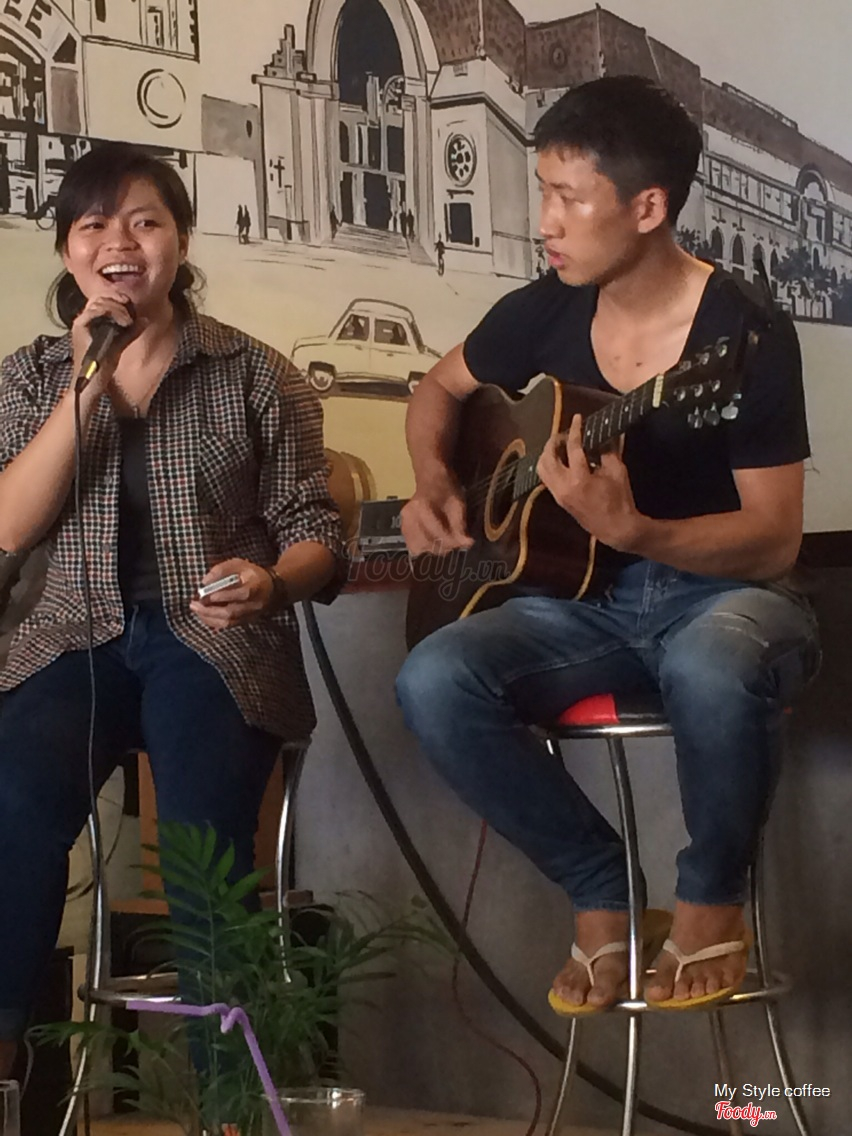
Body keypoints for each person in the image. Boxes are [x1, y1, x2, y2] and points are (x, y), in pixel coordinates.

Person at [396, 76, 819, 1014]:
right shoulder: (544, 309)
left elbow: (773, 540)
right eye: (543, 191)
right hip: (582, 607)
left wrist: (636, 530)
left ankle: (710, 902)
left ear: (647, 207)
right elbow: (437, 391)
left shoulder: (742, 335)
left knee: (711, 663)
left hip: (727, 600)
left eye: (568, 197)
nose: (545, 221)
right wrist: (433, 481)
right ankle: (601, 890)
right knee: (433, 679)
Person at [0, 142, 345, 1075]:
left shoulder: (255, 372)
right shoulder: (31, 376)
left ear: (181, 241)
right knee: (14, 805)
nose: (120, 244)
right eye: (94, 226)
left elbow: (316, 529)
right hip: (70, 641)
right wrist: (85, 387)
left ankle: (227, 1097)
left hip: (215, 641)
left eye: (145, 222)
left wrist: (274, 582)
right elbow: (9, 525)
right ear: (68, 251)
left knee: (200, 844)